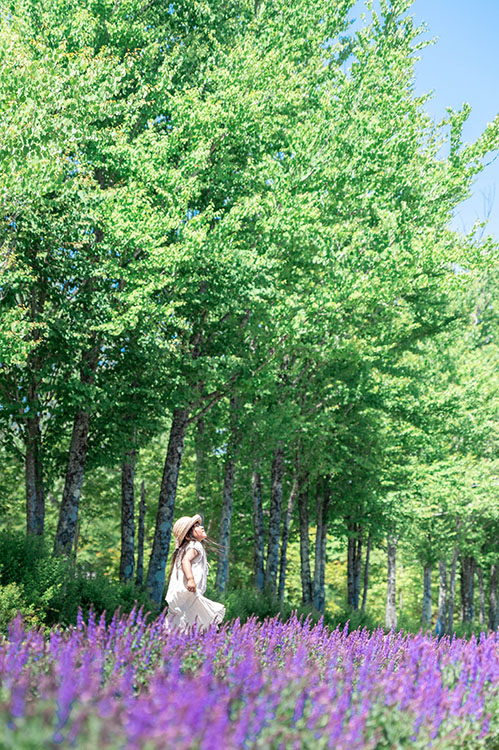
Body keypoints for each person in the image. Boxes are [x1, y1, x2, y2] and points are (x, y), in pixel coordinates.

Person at [165, 514, 226, 632]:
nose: (201, 527)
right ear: (188, 536)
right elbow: (185, 561)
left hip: (184, 594)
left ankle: (175, 642)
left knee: (182, 620)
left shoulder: (186, 547)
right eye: (196, 526)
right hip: (189, 592)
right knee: (195, 620)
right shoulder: (195, 545)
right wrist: (191, 579)